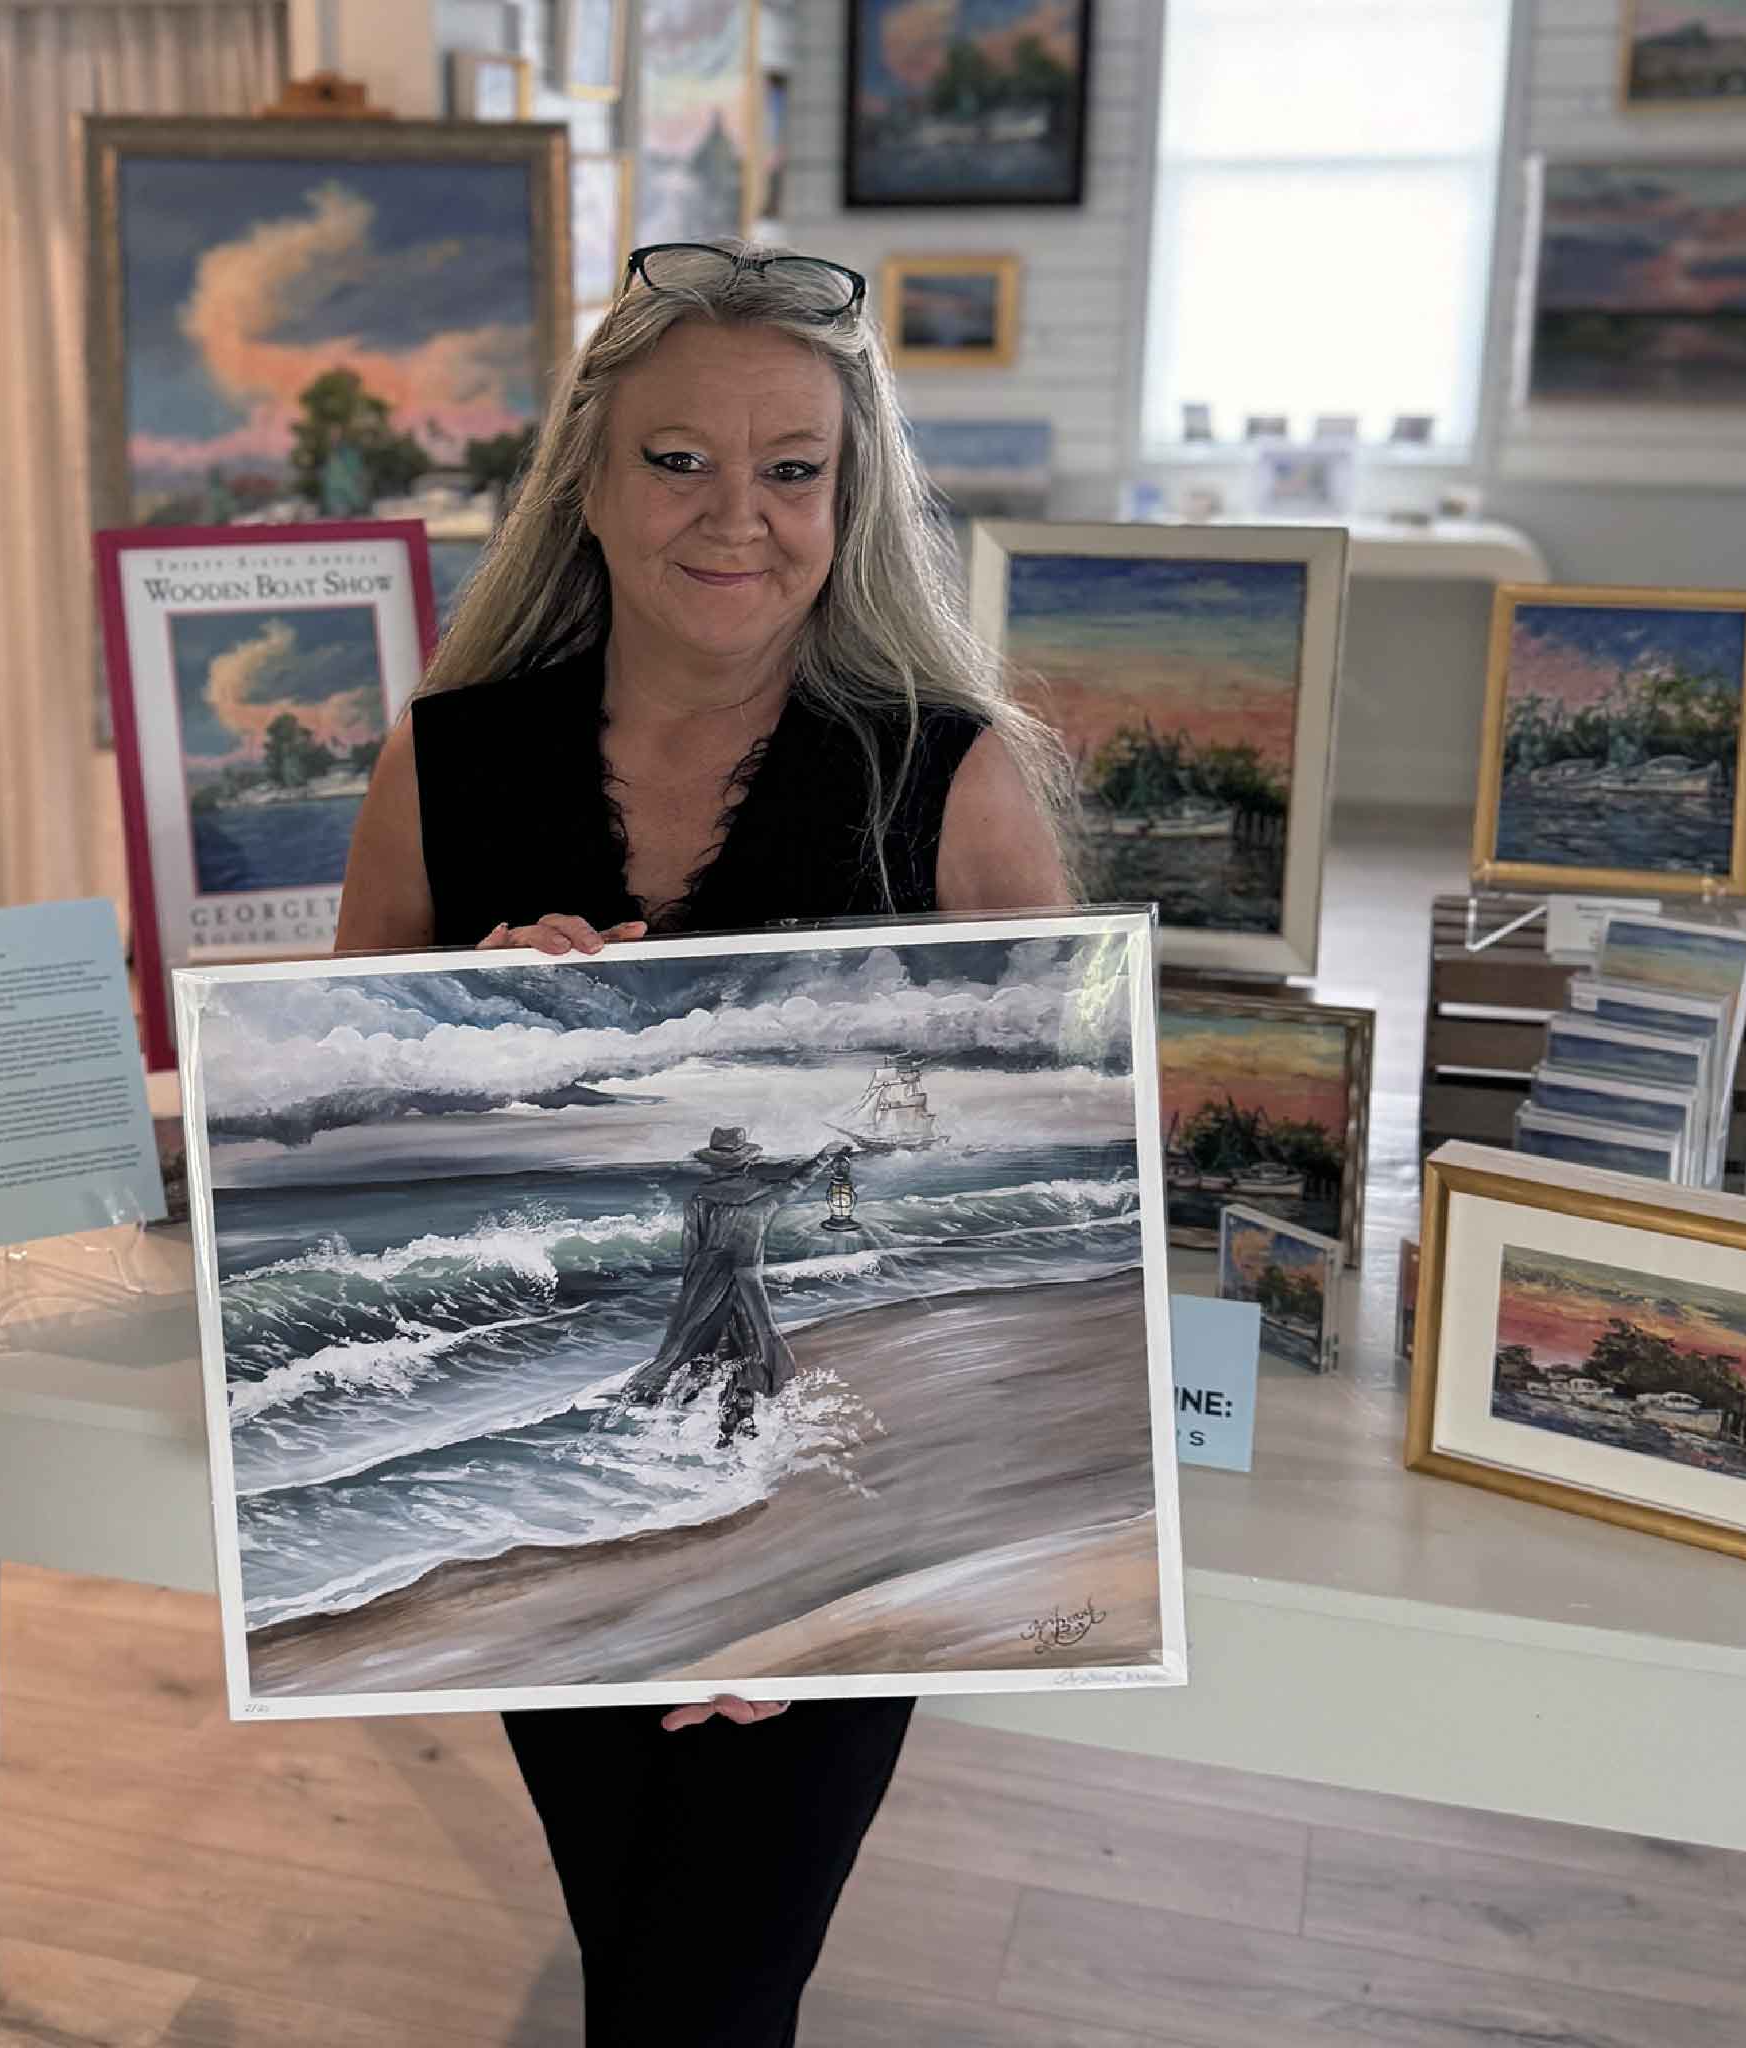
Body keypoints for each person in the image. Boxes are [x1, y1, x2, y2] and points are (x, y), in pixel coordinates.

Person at [336, 238, 1075, 2048]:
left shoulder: (950, 776)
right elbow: (340, 1150)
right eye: (677, 459)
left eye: (790, 467)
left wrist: (794, 1574)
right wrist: (471, 1034)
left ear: (852, 494)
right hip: (576, 1467)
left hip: (846, 1491)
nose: (732, 513)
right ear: (586, 480)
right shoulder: (445, 764)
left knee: (705, 1987)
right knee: (648, 1961)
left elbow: (1054, 1197)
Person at [626, 1125, 854, 1441]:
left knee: (695, 1349)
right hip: (747, 1280)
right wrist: (825, 1157)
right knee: (749, 1346)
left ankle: (673, 1421)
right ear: (747, 1163)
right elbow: (799, 1182)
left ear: (713, 1165)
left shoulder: (698, 1199)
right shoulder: (766, 1195)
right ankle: (738, 1420)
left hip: (706, 1281)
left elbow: (690, 1251)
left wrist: (691, 1296)